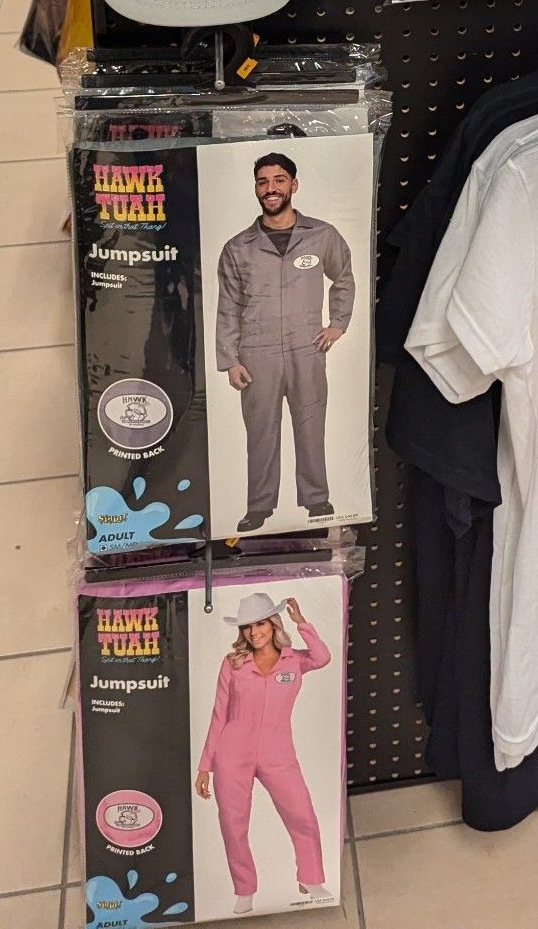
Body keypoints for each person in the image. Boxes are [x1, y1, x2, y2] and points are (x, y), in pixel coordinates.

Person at [216, 153, 355, 532]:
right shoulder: (237, 247)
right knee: (261, 432)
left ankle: (316, 499)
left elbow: (343, 276)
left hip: (306, 347)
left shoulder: (322, 235)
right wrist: (230, 360)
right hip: (255, 353)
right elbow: (228, 306)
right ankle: (259, 506)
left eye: (279, 180)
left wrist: (338, 323)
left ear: (293, 185)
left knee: (310, 425)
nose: (271, 188)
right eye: (263, 181)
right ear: (256, 189)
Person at [196, 591, 332, 915]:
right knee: (233, 824)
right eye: (247, 627)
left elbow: (323, 657)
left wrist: (303, 624)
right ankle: (244, 890)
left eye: (260, 624)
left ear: (273, 624)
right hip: (232, 753)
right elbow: (218, 716)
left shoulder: (294, 660)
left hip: (278, 754)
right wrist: (205, 766)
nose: (254, 632)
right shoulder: (233, 664)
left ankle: (311, 879)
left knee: (302, 814)